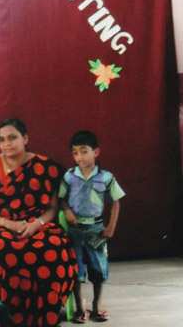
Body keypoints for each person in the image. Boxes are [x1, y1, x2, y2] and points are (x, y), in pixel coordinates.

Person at [0, 118, 77, 327]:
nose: (7, 144)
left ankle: (44, 316)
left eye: (12, 138)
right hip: (2, 227)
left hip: (38, 225)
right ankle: (7, 316)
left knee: (54, 247)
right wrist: (7, 224)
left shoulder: (45, 166)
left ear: (25, 138)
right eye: (2, 140)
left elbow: (52, 208)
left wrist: (37, 224)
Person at [58, 130, 124, 323]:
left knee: (98, 269)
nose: (80, 157)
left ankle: (96, 305)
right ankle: (80, 306)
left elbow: (116, 201)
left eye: (84, 151)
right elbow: (61, 198)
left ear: (96, 152)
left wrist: (110, 227)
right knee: (75, 269)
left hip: (96, 230)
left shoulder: (105, 177)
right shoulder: (69, 176)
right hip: (75, 230)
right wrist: (67, 211)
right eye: (75, 153)